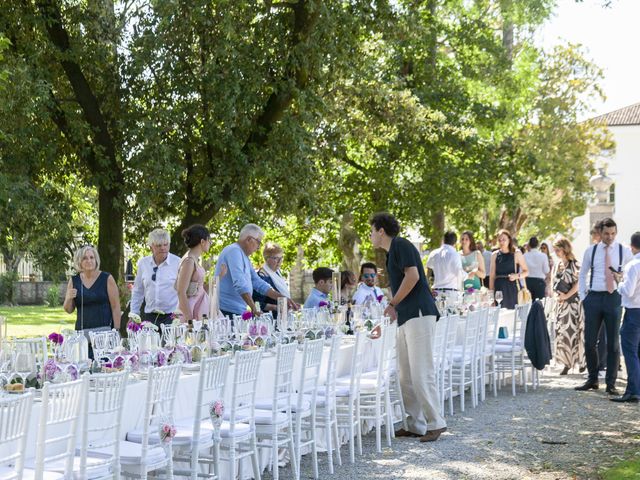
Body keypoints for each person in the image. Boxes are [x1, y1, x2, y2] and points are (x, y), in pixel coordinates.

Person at [370, 212, 446, 442]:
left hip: (419, 313)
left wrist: (393, 303)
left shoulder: (401, 245)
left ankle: (436, 422)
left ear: (381, 231)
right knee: (405, 374)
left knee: (421, 371)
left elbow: (412, 276)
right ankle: (415, 424)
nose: (371, 236)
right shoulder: (391, 252)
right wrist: (394, 309)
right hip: (406, 316)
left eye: (372, 231)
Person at [576, 217, 633, 394]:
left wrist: (622, 277)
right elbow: (583, 273)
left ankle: (611, 383)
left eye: (613, 233)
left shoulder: (624, 251)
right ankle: (592, 379)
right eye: (607, 233)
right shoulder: (590, 251)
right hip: (593, 298)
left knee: (613, 344)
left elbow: (632, 274)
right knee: (590, 341)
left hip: (614, 298)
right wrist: (583, 296)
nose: (610, 237)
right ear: (600, 233)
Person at [216, 224, 295, 318]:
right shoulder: (234, 251)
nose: (258, 248)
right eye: (258, 242)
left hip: (236, 310)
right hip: (227, 311)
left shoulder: (243, 255)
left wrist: (282, 297)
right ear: (249, 239)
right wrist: (254, 308)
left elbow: (257, 282)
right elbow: (240, 284)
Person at [63, 245, 121, 358]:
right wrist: (68, 298)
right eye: (85, 258)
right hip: (82, 335)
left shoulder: (107, 278)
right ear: (79, 261)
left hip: (104, 335)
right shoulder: (74, 280)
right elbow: (68, 309)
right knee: (84, 368)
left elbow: (116, 307)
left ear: (96, 260)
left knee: (105, 367)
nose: (89, 261)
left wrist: (116, 331)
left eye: (91, 257)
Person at [611, 232, 640, 402]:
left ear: (632, 247)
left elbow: (628, 291)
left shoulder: (633, 265)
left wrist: (619, 282)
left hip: (634, 312)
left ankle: (633, 391)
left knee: (630, 352)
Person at [130, 229, 181, 326]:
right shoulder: (143, 263)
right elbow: (138, 291)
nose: (163, 248)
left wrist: (180, 315)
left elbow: (183, 292)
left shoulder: (178, 262)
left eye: (166, 244)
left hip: (172, 316)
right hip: (149, 316)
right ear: (151, 247)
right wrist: (134, 314)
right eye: (159, 245)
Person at [552, 238, 585, 375]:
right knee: (563, 334)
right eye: (555, 250)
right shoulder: (557, 265)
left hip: (573, 303)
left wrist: (566, 296)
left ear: (565, 249)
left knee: (575, 333)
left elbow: (578, 284)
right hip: (561, 304)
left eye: (558, 250)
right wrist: (556, 297)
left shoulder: (575, 264)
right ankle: (566, 363)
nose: (556, 252)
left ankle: (580, 362)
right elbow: (553, 284)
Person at [175, 224, 212, 322]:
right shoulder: (189, 261)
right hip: (192, 308)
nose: (210, 243)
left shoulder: (194, 259)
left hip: (200, 305)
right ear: (202, 241)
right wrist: (189, 319)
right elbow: (180, 291)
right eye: (209, 240)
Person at [489, 229, 529, 310]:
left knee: (513, 315)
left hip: (512, 289)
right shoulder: (495, 255)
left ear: (509, 240)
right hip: (499, 290)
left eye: (504, 239)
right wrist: (491, 296)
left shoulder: (516, 253)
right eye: (499, 240)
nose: (501, 242)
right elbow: (492, 276)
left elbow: (526, 271)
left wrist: (517, 276)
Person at [252, 242, 290, 318]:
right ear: (266, 259)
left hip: (282, 317)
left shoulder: (277, 273)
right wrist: (276, 307)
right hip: (269, 320)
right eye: (276, 258)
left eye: (281, 258)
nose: (279, 261)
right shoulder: (261, 276)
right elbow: (257, 304)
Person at [427, 231, 463, 298]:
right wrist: (467, 275)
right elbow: (459, 273)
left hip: (436, 292)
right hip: (451, 292)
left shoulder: (434, 253)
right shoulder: (455, 254)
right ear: (455, 242)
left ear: (443, 240)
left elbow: (429, 270)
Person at [524, 236, 550, 301]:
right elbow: (546, 270)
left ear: (529, 244)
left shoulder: (524, 255)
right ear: (538, 245)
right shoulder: (543, 256)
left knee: (528, 304)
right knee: (538, 304)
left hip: (527, 282)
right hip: (539, 283)